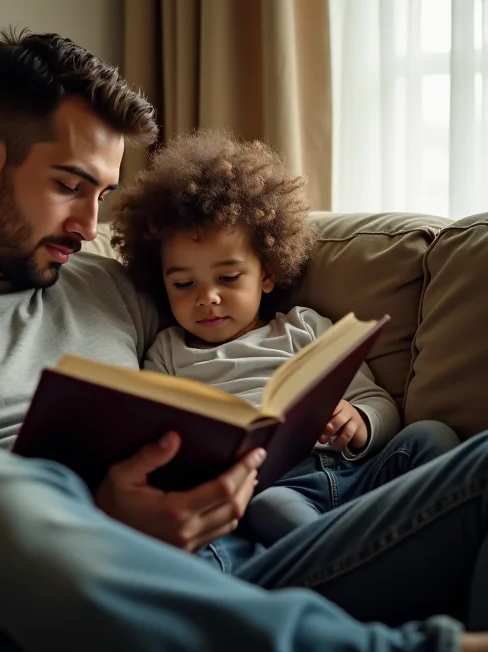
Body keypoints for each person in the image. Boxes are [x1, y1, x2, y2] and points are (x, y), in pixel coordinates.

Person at [0, 29, 488, 652]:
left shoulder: (106, 286)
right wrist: (94, 520)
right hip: (0, 619)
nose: (90, 226)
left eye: (103, 196)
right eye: (69, 185)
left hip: (218, 580)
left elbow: (228, 314)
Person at [109, 129, 460, 545]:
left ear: (268, 274)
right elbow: (154, 436)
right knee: (272, 509)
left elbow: (377, 401)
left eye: (228, 277)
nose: (208, 298)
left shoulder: (303, 328)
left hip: (358, 474)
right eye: (184, 284)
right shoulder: (167, 353)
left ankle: (371, 547)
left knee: (431, 436)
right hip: (282, 491)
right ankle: (355, 556)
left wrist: (360, 421)